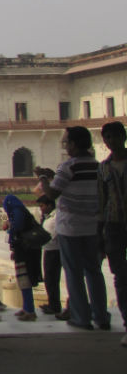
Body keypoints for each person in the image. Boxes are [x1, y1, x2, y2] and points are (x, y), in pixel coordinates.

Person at [35, 126, 109, 331]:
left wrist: (42, 177)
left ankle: (81, 318)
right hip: (92, 226)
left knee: (73, 273)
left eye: (66, 142)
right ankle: (101, 316)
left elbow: (51, 194)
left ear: (74, 145)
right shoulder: (98, 166)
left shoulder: (68, 166)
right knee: (94, 272)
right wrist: (53, 175)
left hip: (70, 228)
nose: (65, 145)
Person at [97, 121, 127, 347]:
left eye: (115, 136)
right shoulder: (104, 168)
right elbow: (101, 200)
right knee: (120, 276)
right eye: (107, 138)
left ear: (123, 137)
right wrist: (100, 232)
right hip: (113, 225)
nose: (111, 141)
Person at [2, 194, 43, 321]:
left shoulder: (17, 212)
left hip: (26, 252)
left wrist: (9, 227)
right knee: (22, 280)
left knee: (25, 279)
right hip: (23, 250)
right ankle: (26, 307)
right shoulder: (19, 212)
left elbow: (17, 229)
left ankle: (30, 310)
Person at [36, 193, 63, 316]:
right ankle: (52, 303)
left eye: (42, 206)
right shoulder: (47, 217)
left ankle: (55, 305)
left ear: (50, 205)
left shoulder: (56, 216)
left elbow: (54, 235)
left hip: (55, 251)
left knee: (52, 279)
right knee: (49, 279)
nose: (41, 208)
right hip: (47, 250)